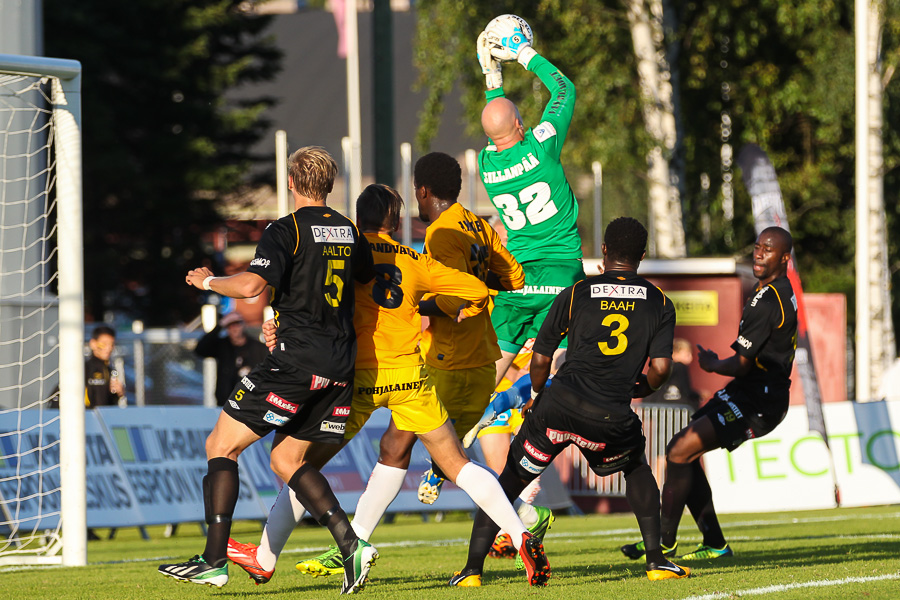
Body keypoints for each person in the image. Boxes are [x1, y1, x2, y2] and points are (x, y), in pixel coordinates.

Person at [227, 184, 551, 589]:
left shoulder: (344, 254)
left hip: (356, 377)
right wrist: (432, 304)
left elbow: (313, 298)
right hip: (410, 377)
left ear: (357, 217)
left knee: (301, 466)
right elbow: (477, 290)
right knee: (458, 465)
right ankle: (522, 538)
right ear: (396, 222)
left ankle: (265, 558)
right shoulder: (414, 260)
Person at [157, 146, 378, 594]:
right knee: (285, 459)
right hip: (339, 365)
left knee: (221, 444)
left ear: (292, 183)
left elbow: (252, 285)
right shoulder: (348, 229)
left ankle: (215, 559)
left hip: (297, 362)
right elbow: (362, 278)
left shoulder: (286, 229)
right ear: (329, 185)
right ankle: (351, 544)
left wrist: (208, 282)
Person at [452, 217, 691, 585]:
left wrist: (535, 395)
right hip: (611, 414)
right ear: (642, 256)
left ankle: (472, 571)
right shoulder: (659, 302)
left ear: (605, 252)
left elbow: (542, 357)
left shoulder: (578, 291)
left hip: (559, 406)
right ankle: (656, 560)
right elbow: (660, 368)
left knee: (509, 481)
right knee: (637, 470)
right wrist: (637, 389)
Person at [620, 226, 797, 562]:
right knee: (683, 451)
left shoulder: (767, 300)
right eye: (758, 246)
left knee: (679, 449)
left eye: (769, 249)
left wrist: (714, 364)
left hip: (759, 401)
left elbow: (742, 364)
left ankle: (664, 543)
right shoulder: (775, 291)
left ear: (784, 258)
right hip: (747, 393)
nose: (759, 253)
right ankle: (715, 543)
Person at [410, 151, 527, 504]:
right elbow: (515, 277)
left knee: (402, 444)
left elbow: (452, 298)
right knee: (448, 452)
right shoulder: (477, 224)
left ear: (423, 191)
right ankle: (521, 515)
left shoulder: (441, 232)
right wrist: (480, 283)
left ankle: (353, 544)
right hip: (483, 355)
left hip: (450, 357)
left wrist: (412, 302)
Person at [475, 27, 584, 386]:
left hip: (517, 279)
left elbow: (498, 122)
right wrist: (522, 53)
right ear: (522, 124)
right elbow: (564, 88)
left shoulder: (486, 164)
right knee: (565, 367)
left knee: (490, 373)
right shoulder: (542, 145)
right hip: (562, 274)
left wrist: (492, 76)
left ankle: (468, 423)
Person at [195, 311, 268, 406]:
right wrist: (220, 325)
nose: (234, 328)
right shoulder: (223, 346)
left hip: (251, 404)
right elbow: (200, 350)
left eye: (237, 324)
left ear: (243, 325)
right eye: (230, 325)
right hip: (225, 402)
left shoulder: (258, 348)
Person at [644, 338, 701, 411]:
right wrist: (697, 396)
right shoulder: (681, 367)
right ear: (675, 353)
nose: (691, 358)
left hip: (657, 408)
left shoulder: (661, 367)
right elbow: (686, 390)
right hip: (678, 408)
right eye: (687, 354)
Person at [85, 325, 125, 408]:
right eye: (104, 344)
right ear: (93, 343)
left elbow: (107, 402)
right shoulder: (84, 368)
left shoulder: (109, 369)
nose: (108, 348)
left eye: (111, 344)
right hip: (87, 417)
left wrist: (118, 393)